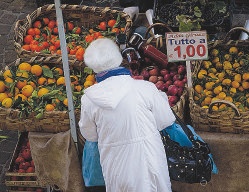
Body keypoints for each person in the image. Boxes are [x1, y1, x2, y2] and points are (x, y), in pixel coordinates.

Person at [79, 38, 176, 192]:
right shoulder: (145, 88)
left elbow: (90, 135)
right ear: (119, 60)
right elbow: (166, 120)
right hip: (149, 161)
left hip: (116, 166)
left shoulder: (89, 99)